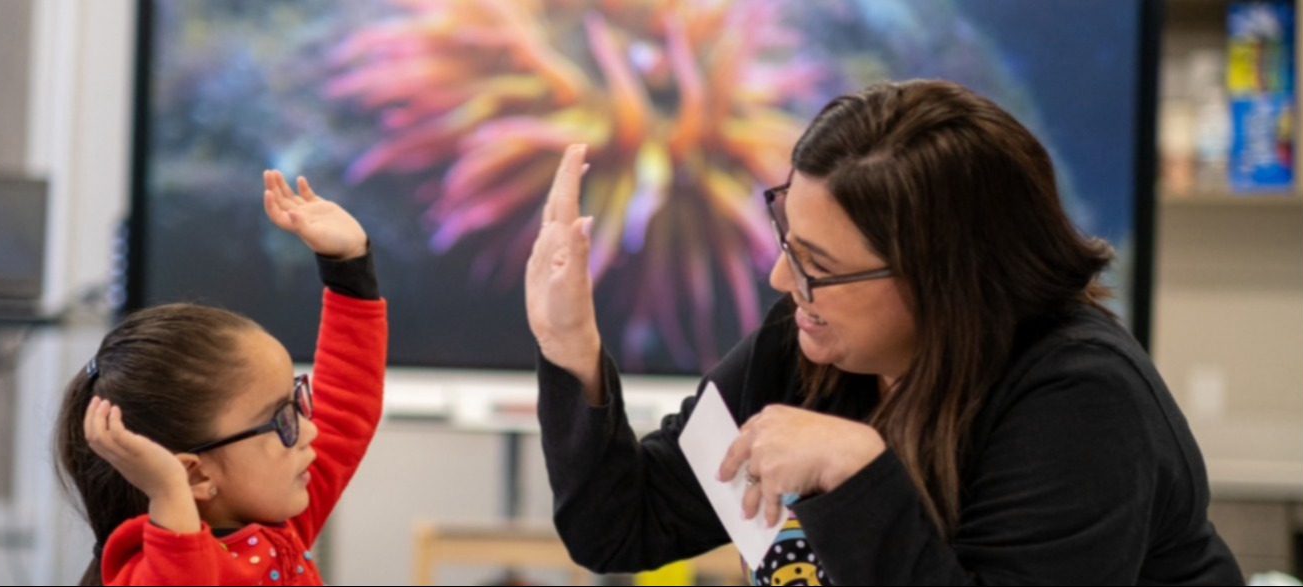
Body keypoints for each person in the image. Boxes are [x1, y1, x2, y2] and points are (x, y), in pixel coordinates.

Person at [525, 80, 1243, 585]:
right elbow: (621, 527)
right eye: (788, 242)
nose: (782, 282)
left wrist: (858, 475)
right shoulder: (808, 344)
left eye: (819, 266)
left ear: (943, 278)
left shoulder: (1079, 398)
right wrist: (570, 349)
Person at [54, 171, 387, 586]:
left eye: (296, 403)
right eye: (281, 419)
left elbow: (346, 407)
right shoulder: (150, 571)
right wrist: (170, 496)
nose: (310, 430)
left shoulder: (277, 522)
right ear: (195, 475)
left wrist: (349, 268)